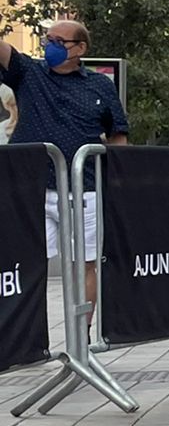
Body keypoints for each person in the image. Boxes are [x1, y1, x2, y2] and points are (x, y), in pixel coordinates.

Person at [1, 17, 128, 308]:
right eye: (48, 40)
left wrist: (118, 182)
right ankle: (27, 341)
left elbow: (117, 134)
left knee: (84, 265)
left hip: (83, 190)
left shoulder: (99, 86)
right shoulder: (28, 73)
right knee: (24, 265)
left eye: (60, 42)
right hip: (31, 188)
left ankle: (81, 339)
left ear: (80, 48)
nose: (50, 47)